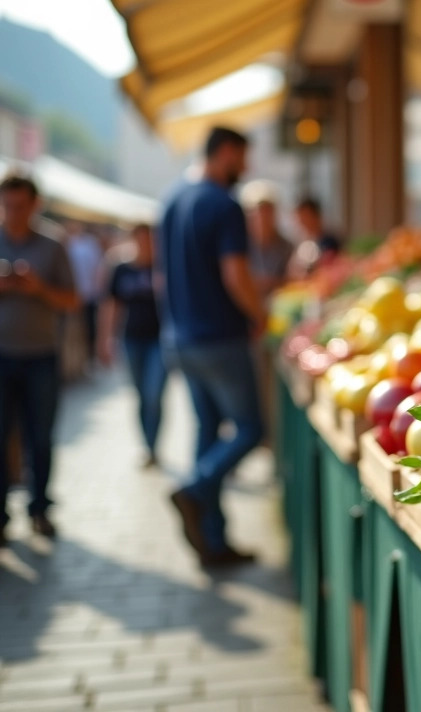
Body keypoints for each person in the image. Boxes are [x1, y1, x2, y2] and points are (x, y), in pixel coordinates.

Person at [159, 127, 267, 567]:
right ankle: (195, 488)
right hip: (220, 339)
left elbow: (161, 276)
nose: (245, 168)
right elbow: (235, 275)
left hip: (180, 339)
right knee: (250, 430)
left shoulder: (172, 200)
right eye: (242, 158)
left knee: (207, 434)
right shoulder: (223, 205)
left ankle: (213, 542)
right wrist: (260, 314)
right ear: (224, 153)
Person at [0, 175, 80, 545]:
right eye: (7, 205)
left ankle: (40, 509)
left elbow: (72, 300)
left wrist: (39, 289)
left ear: (34, 205)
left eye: (20, 206)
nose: (13, 213)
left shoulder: (52, 244)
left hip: (40, 356)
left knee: (40, 437)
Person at [98, 224, 166, 468]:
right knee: (140, 395)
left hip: (160, 340)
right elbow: (112, 305)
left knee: (154, 393)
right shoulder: (122, 269)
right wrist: (105, 339)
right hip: (132, 339)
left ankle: (153, 444)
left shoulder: (164, 268)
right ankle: (147, 446)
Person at [242, 184, 293, 300]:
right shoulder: (239, 246)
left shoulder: (287, 246)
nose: (262, 218)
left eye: (267, 211)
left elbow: (292, 281)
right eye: (258, 212)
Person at [66, 222, 104, 366]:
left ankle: (87, 359)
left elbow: (97, 270)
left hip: (87, 295)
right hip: (78, 295)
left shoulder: (89, 245)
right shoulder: (71, 245)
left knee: (87, 328)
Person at [288, 197, 342, 279]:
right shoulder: (302, 242)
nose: (302, 221)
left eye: (305, 216)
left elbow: (330, 269)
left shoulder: (329, 241)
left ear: (316, 216)